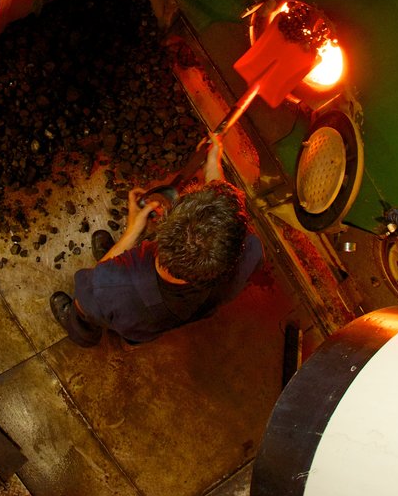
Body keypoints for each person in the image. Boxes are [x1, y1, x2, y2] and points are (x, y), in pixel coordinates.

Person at [49, 134, 263, 346]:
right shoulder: (246, 254)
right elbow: (223, 217)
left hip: (124, 308)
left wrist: (131, 232)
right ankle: (130, 337)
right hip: (152, 324)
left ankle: (82, 332)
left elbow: (94, 288)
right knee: (135, 331)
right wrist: (212, 164)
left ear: (161, 230)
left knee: (87, 307)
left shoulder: (110, 284)